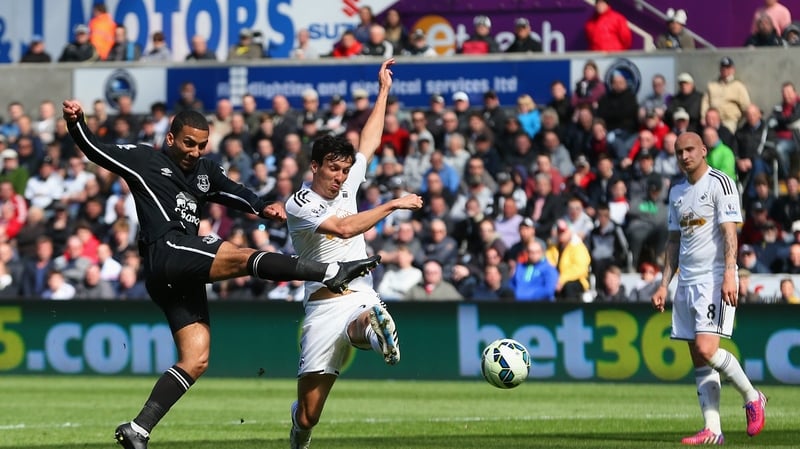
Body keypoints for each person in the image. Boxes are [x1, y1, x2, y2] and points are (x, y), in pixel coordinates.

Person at [61, 99, 381, 449]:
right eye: (188, 143)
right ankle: (330, 271)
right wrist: (77, 122)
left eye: (201, 144)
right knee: (240, 255)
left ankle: (138, 429)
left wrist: (261, 207)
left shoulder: (205, 171)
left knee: (196, 359)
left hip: (181, 272)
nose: (195, 151)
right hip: (166, 251)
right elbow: (94, 149)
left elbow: (234, 193)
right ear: (170, 138)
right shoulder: (144, 160)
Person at [284, 59, 423, 449]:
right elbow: (344, 228)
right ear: (315, 167)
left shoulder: (347, 185)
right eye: (333, 169)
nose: (341, 177)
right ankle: (297, 432)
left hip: (359, 294)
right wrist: (393, 204)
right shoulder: (300, 203)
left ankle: (377, 333)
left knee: (364, 318)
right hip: (321, 307)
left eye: (345, 170)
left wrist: (383, 92)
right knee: (309, 415)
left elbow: (369, 142)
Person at [651, 131, 766, 445]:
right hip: (686, 282)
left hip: (714, 278)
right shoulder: (676, 192)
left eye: (690, 149)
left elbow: (730, 232)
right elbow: (674, 241)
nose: (684, 156)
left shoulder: (721, 183)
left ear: (703, 150)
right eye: (679, 152)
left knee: (707, 348)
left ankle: (752, 396)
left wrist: (731, 273)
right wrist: (664, 284)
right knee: (698, 358)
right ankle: (712, 430)